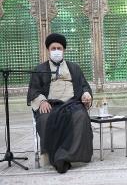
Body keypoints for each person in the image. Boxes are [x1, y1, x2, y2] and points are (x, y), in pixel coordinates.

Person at [27, 33, 93, 173]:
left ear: (64, 50)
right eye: (53, 48)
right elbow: (34, 89)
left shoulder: (74, 68)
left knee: (81, 116)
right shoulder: (40, 69)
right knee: (45, 118)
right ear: (48, 50)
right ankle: (56, 156)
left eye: (59, 48)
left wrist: (86, 95)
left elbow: (84, 86)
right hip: (50, 104)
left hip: (72, 103)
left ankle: (66, 156)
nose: (56, 51)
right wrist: (42, 101)